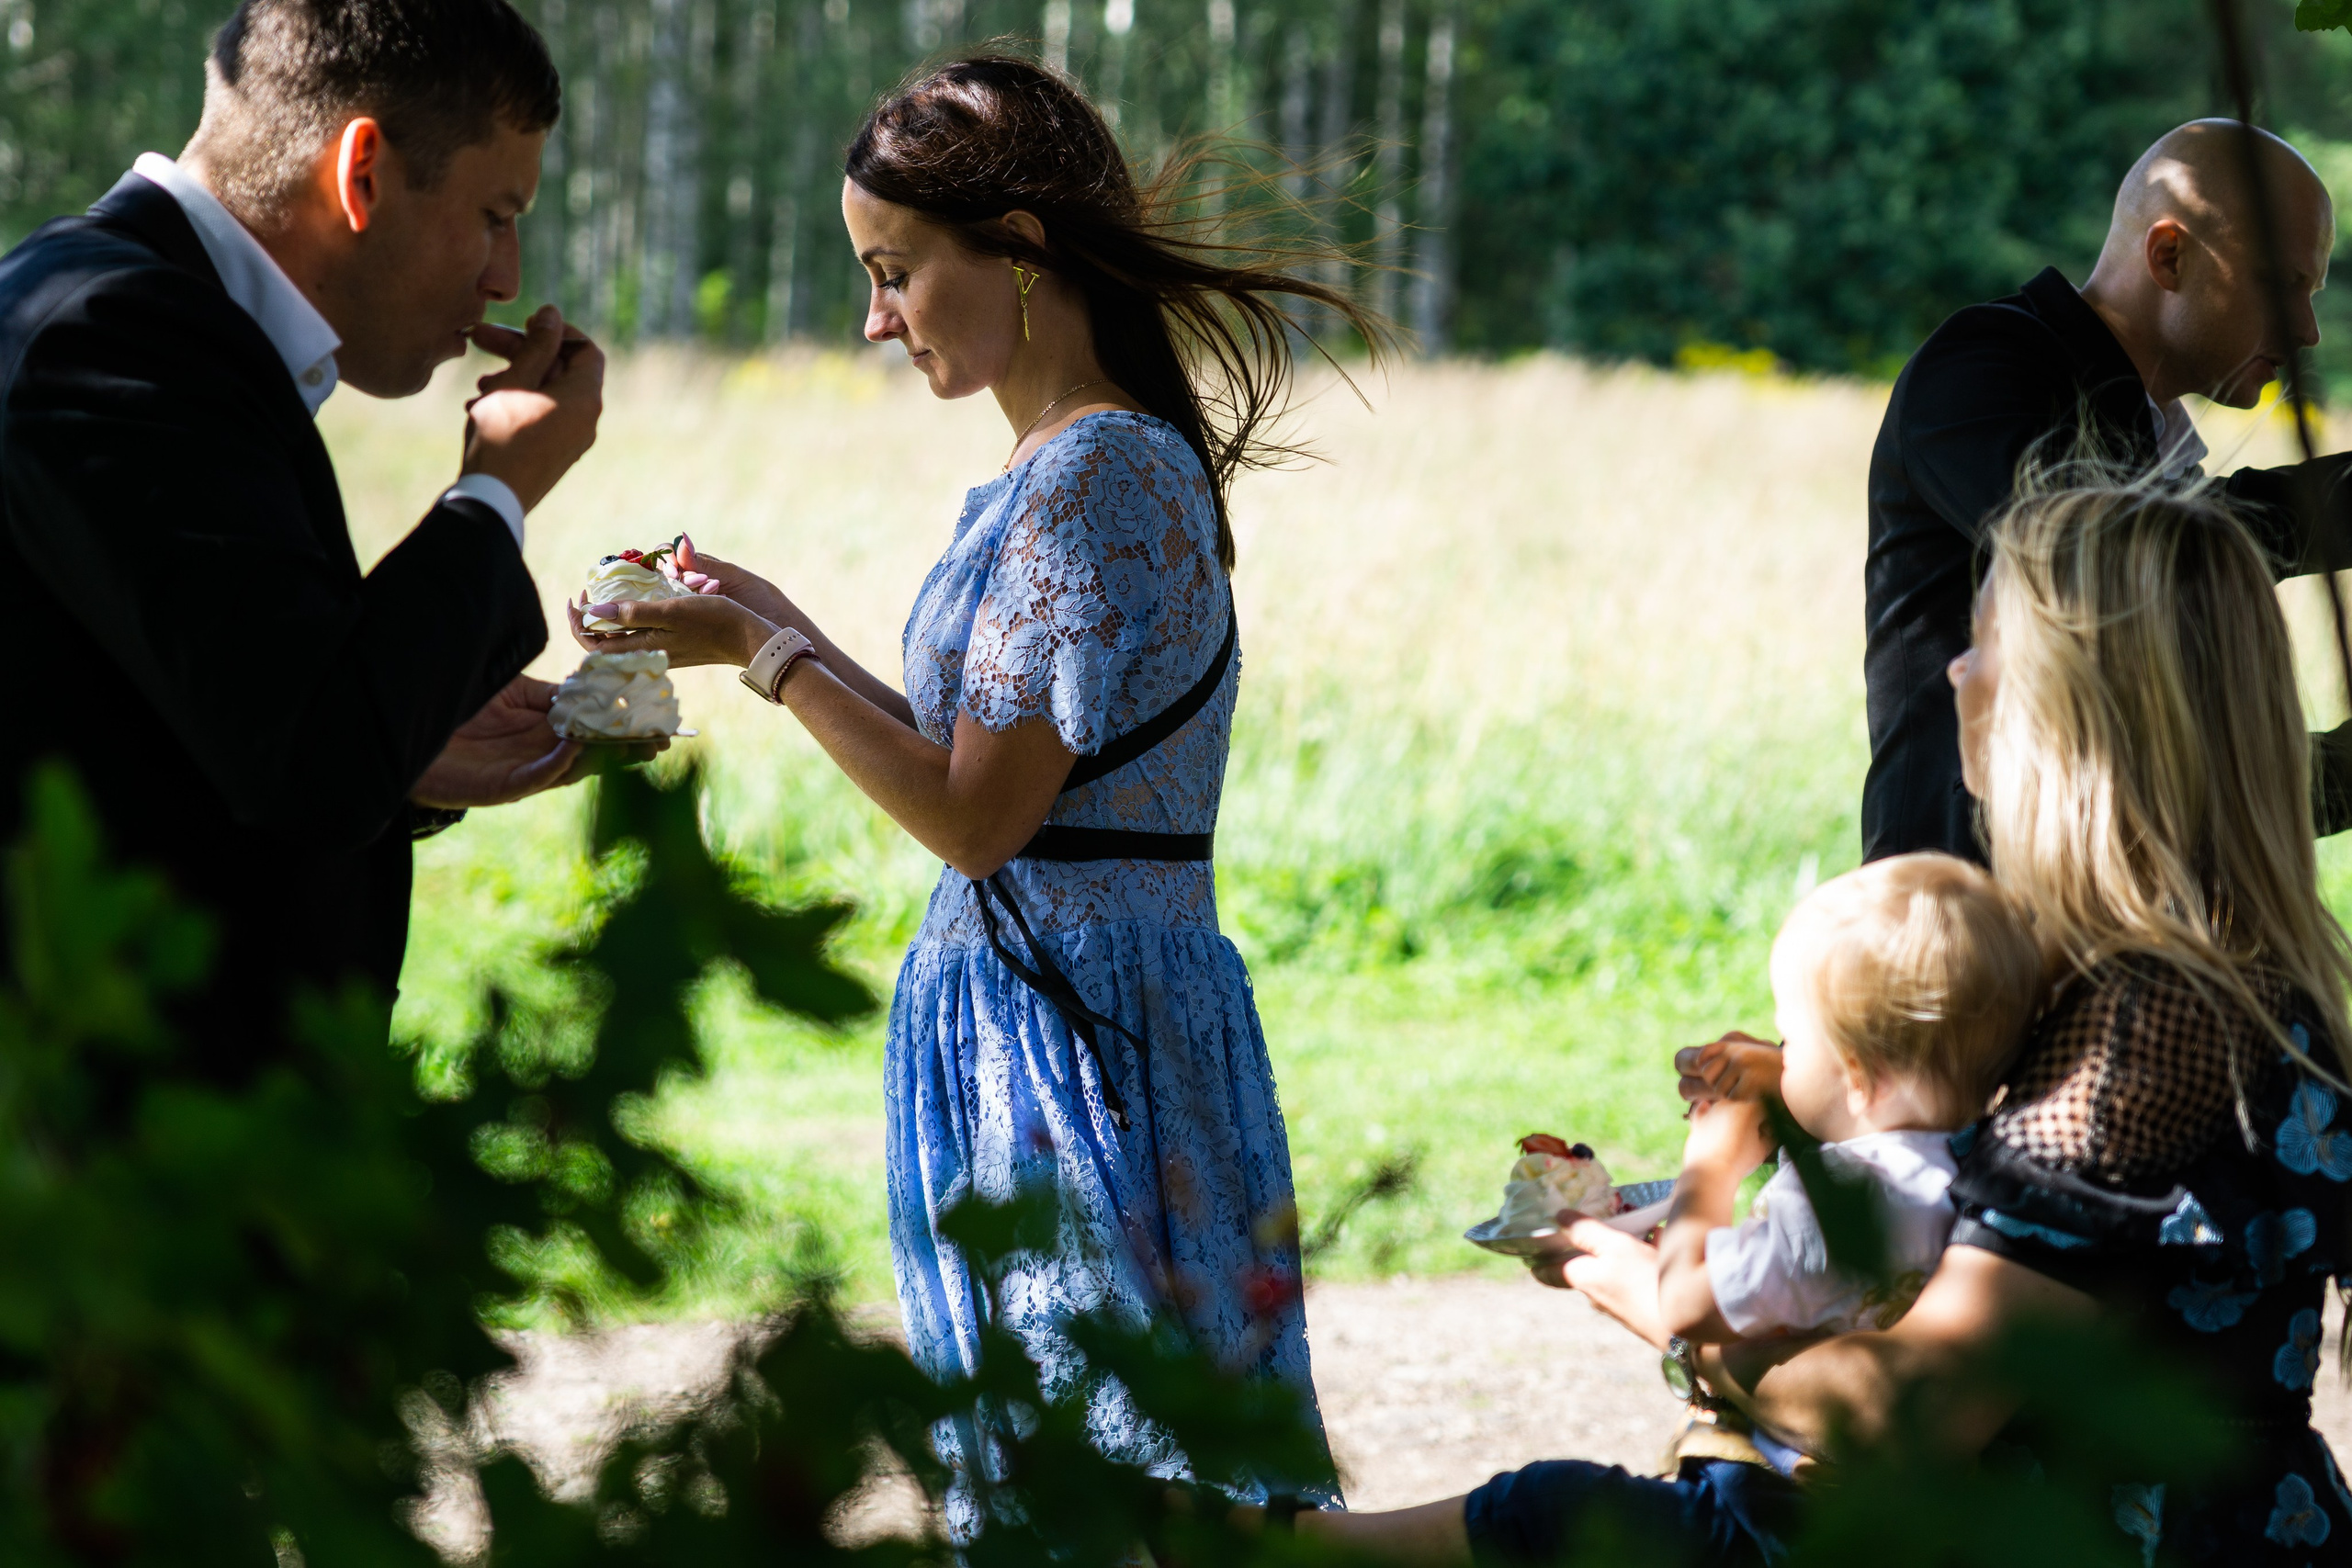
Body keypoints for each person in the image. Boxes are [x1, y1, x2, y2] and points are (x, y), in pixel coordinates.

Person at [568, 56, 1383, 1509]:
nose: (875, 317)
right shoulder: (1055, 465)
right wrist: (775, 620)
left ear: (1019, 245)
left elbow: (979, 819)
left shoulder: (1096, 475)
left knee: (1129, 1493)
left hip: (1080, 1040)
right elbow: (996, 772)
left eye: (893, 271)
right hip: (1045, 1017)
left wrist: (763, 655)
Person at [1622, 477, 2352, 1563]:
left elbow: (1899, 1411)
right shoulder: (2143, 978)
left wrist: (1685, 1302)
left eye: (1983, 640)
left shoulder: (2154, 1033)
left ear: (2079, 713)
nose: (1954, 670)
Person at [0, 0, 609, 1071]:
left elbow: (213, 732)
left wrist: (405, 757)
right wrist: (496, 494)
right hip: (118, 1159)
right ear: (362, 172)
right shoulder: (112, 339)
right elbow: (312, 760)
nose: (506, 277)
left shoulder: (159, 323)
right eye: (494, 214)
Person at [1231, 852, 2041, 1562]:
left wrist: (1711, 1163)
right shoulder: (1967, 1174)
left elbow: (1688, 1301)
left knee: (1541, 1505)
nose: (1777, 1059)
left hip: (1778, 1522)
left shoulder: (1851, 1197)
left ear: (1859, 1073)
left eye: (1792, 1043)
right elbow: (1795, 1294)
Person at [1863, 119, 2352, 864]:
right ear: (2168, 253)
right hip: (1981, 940)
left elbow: (2172, 772)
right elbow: (2116, 555)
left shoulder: (2149, 433)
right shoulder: (1984, 367)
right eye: (2282, 287)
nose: (2308, 330)